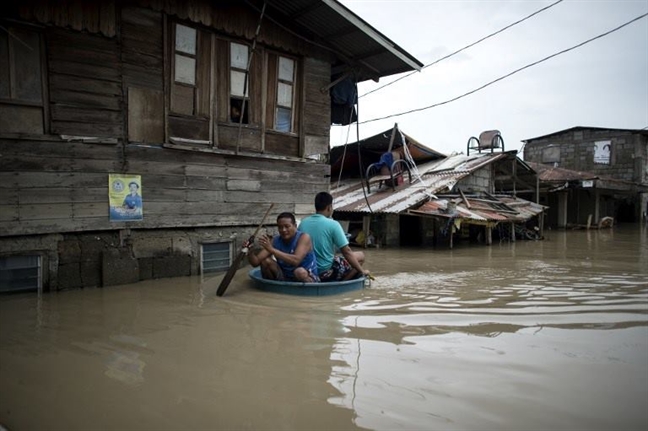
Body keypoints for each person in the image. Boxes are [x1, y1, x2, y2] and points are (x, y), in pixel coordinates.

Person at [299, 192, 369, 282]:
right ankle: (343, 283)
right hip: (325, 272)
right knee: (361, 256)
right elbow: (347, 252)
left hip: (308, 269)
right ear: (329, 207)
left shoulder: (303, 223)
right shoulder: (333, 224)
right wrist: (362, 271)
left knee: (335, 257)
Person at [247, 212, 319, 282]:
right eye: (280, 227)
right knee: (265, 261)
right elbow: (255, 262)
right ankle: (273, 289)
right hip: (285, 276)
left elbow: (296, 261)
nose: (283, 230)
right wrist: (250, 251)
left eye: (287, 226)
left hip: (305, 275)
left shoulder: (304, 237)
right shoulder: (276, 240)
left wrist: (272, 250)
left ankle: (304, 292)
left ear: (295, 226)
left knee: (300, 272)